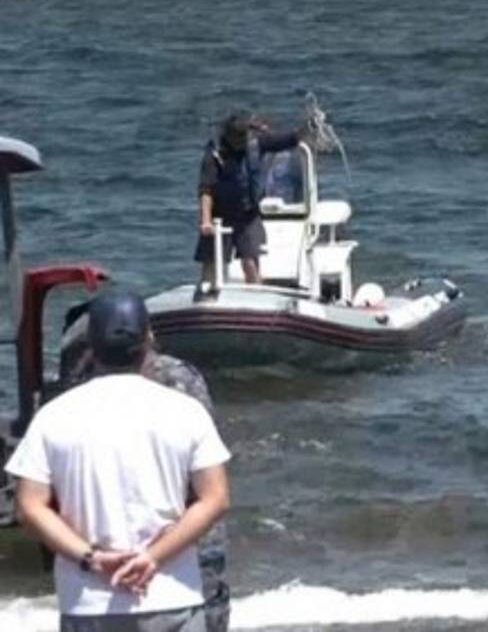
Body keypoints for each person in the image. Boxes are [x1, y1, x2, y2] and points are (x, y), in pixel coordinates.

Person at [5, 291, 231, 632]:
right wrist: (151, 557)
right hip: (171, 594)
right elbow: (215, 498)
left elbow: (30, 508)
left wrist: (92, 558)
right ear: (149, 339)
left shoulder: (53, 416)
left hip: (87, 603)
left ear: (91, 346)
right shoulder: (185, 411)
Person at [195, 111, 302, 286]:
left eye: (242, 138)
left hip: (247, 214)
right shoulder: (214, 154)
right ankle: (207, 294)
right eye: (236, 139)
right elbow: (206, 190)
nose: (239, 143)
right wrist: (206, 220)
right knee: (211, 262)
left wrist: (305, 131)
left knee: (250, 261)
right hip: (219, 215)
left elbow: (287, 139)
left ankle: (256, 295)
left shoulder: (256, 144)